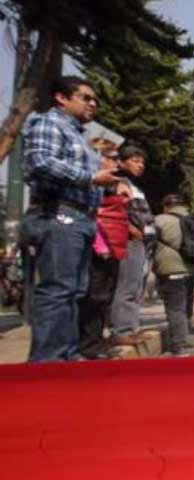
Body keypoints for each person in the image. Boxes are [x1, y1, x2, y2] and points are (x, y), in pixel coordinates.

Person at [21, 76, 121, 362]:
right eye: (85, 97)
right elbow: (40, 162)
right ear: (61, 98)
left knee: (75, 292)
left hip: (81, 218)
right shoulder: (48, 123)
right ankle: (48, 362)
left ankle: (67, 356)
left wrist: (105, 183)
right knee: (58, 290)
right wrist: (91, 178)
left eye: (95, 99)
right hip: (58, 214)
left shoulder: (81, 137)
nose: (93, 103)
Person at [77, 143, 130, 359]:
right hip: (100, 246)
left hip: (114, 245)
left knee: (105, 297)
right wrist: (100, 244)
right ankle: (89, 346)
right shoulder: (91, 185)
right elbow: (93, 214)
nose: (117, 162)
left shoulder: (115, 184)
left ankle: (98, 341)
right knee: (94, 296)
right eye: (112, 157)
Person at [109, 146, 155, 346]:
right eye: (135, 161)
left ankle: (132, 328)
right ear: (121, 162)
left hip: (141, 242)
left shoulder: (135, 186)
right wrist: (129, 228)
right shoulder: (117, 182)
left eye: (142, 162)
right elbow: (113, 209)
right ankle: (122, 331)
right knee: (127, 286)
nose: (140, 165)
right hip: (128, 240)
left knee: (136, 286)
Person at [153, 194, 194, 356]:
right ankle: (184, 335)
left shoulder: (160, 220)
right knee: (187, 302)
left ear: (166, 206)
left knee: (175, 307)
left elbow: (147, 241)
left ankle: (179, 345)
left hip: (172, 269)